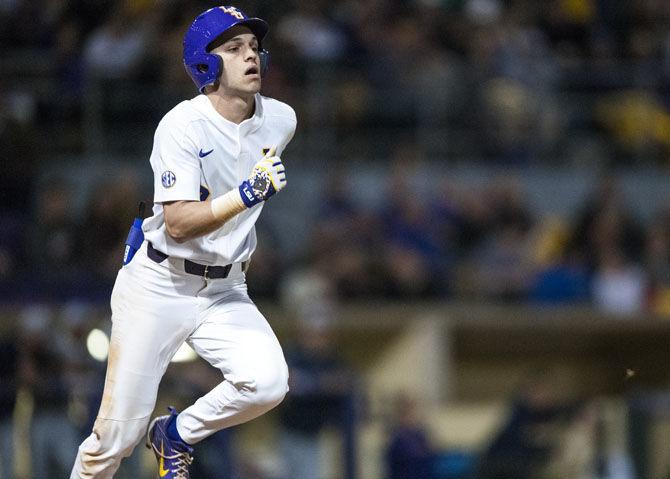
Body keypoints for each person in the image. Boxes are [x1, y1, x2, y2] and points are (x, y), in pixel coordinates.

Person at [70, 5, 297, 478]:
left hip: (225, 289)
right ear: (205, 64)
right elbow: (176, 223)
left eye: (254, 47)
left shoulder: (281, 121)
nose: (250, 55)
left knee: (268, 382)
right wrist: (245, 195)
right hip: (160, 282)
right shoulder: (181, 126)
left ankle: (175, 433)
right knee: (114, 440)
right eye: (233, 49)